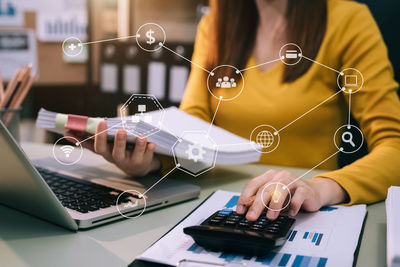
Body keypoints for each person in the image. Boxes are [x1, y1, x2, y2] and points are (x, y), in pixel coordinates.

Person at [68, 0, 400, 222]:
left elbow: (394, 147)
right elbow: (192, 125)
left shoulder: (348, 20)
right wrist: (152, 159)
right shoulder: (215, 25)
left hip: (301, 211)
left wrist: (321, 187)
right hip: (215, 206)